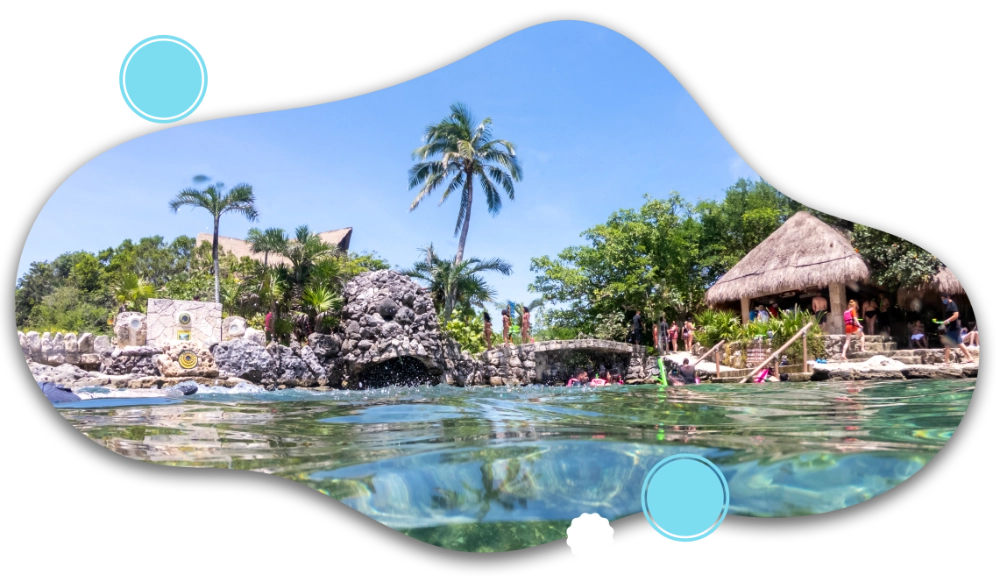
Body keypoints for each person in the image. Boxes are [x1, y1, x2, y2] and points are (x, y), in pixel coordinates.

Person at [939, 294, 973, 365]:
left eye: (943, 299)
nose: (943, 300)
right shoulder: (949, 305)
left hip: (953, 328)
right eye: (942, 299)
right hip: (953, 327)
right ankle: (970, 357)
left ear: (947, 297)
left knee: (947, 343)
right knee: (960, 343)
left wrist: (948, 320)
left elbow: (956, 315)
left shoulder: (952, 304)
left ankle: (946, 361)